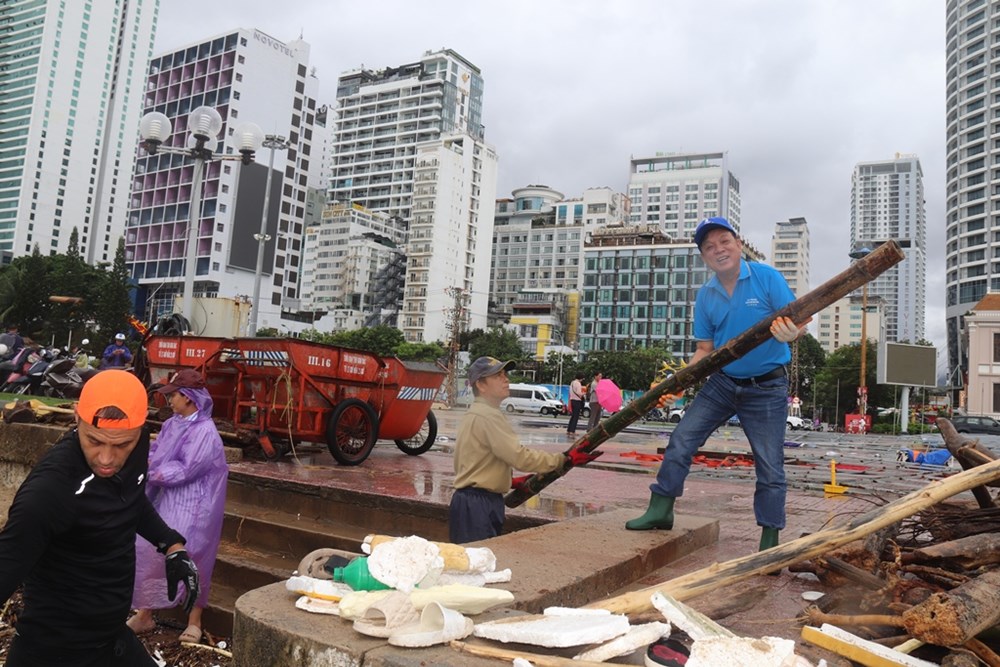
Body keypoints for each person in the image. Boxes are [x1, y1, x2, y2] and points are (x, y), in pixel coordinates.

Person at [626, 217, 807, 553]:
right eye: (709, 247)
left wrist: (793, 332)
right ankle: (661, 509)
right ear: (704, 257)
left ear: (738, 244)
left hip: (767, 387)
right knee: (681, 439)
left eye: (724, 241)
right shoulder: (706, 295)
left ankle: (770, 537)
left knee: (769, 462)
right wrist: (680, 383)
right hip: (722, 382)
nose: (718, 250)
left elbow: (798, 319)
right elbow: (704, 350)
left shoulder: (766, 277)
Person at [0, 370, 199, 666]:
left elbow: (130, 497)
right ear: (77, 419)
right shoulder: (50, 491)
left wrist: (171, 545)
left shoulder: (136, 445)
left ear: (140, 428)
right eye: (94, 441)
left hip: (110, 637)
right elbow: (7, 563)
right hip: (53, 650)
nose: (107, 459)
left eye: (121, 445)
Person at [449, 357, 596, 543]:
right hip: (478, 504)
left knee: (473, 559)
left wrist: (508, 481)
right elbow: (519, 457)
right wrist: (563, 459)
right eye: (498, 376)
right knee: (477, 562)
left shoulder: (476, 413)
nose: (506, 379)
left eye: (505, 374)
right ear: (481, 385)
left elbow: (475, 461)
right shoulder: (488, 416)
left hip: (472, 501)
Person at [128, 368, 227, 644]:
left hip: (198, 505)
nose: (169, 401)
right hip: (169, 501)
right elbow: (158, 450)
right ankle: (146, 612)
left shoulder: (205, 431)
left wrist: (153, 472)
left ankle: (195, 620)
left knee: (194, 556)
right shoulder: (174, 423)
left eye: (173, 396)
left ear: (189, 397)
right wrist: (142, 459)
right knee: (151, 546)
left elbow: (187, 469)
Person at [566, 372, 586, 437]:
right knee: (576, 416)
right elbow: (578, 392)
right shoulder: (578, 383)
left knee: (573, 416)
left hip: (572, 400)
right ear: (581, 378)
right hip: (577, 400)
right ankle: (572, 431)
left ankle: (569, 430)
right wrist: (583, 393)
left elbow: (571, 392)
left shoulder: (572, 383)